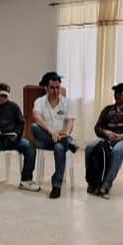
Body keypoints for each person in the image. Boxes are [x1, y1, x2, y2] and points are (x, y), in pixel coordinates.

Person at [0, 83, 40, 194]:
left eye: (5, 96)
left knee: (29, 146)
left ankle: (26, 180)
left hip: (12, 139)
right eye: (0, 95)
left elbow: (21, 123)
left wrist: (17, 134)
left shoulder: (13, 107)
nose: (2, 98)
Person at [85, 82, 123, 197]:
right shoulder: (108, 110)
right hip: (109, 138)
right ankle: (92, 181)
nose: (117, 95)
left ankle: (106, 184)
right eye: (116, 93)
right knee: (89, 147)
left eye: (120, 93)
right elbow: (97, 128)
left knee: (117, 150)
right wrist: (106, 133)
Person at [31, 71, 78, 199]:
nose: (56, 91)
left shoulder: (67, 102)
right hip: (45, 138)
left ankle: (56, 186)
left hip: (61, 137)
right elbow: (36, 117)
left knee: (59, 147)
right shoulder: (40, 101)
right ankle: (66, 143)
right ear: (46, 88)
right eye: (52, 88)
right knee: (34, 127)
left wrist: (66, 133)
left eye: (58, 87)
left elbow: (70, 122)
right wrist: (51, 131)